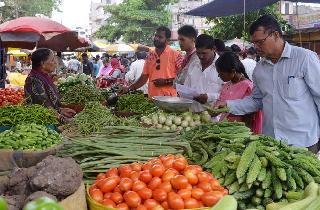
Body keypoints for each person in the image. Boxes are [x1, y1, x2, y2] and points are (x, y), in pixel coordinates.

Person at [215, 14, 320, 152]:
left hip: (303, 142)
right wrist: (228, 105)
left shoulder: (304, 58)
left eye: (260, 42)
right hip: (272, 143)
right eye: (254, 43)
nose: (256, 47)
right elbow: (256, 100)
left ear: (275, 35)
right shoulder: (260, 69)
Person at [120, 26, 183, 97]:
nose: (156, 38)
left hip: (169, 100)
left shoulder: (176, 55)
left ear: (167, 40)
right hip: (152, 99)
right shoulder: (150, 55)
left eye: (160, 37)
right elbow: (144, 78)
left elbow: (183, 79)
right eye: (155, 35)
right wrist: (129, 88)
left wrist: (166, 82)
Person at [215, 52, 262, 134]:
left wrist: (244, 135)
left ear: (232, 71)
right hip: (225, 129)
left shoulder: (248, 86)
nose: (219, 76)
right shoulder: (226, 85)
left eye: (221, 73)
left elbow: (249, 117)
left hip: (238, 133)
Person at [24, 48, 76, 122]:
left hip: (50, 118)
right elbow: (43, 107)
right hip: (42, 123)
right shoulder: (34, 80)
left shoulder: (43, 77)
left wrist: (60, 110)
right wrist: (64, 120)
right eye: (52, 60)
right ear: (42, 63)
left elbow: (48, 103)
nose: (55, 62)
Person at [184, 34, 223, 108]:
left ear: (213, 49)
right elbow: (186, 88)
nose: (201, 56)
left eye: (204, 53)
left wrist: (209, 97)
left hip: (214, 116)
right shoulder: (193, 65)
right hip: (192, 115)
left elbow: (229, 94)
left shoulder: (223, 66)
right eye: (198, 53)